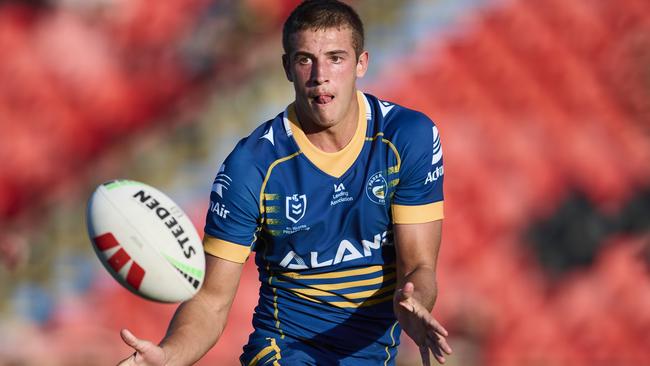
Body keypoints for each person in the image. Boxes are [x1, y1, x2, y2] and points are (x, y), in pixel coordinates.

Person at [117, 0, 451, 365]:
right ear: (287, 67)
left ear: (362, 63)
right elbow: (212, 300)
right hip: (284, 351)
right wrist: (168, 356)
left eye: (336, 58)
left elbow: (419, 266)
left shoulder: (407, 138)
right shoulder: (252, 167)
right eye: (306, 59)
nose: (320, 74)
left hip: (371, 356)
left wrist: (415, 303)